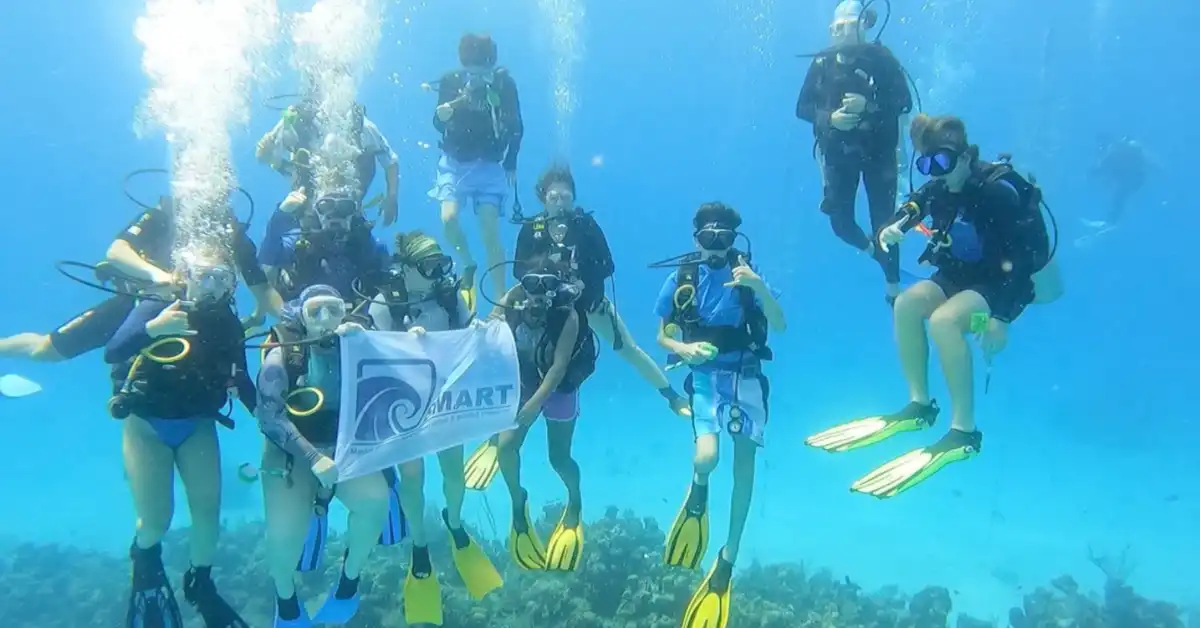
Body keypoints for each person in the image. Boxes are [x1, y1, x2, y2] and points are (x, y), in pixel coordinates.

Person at [805, 114, 1055, 498]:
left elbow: (1022, 264)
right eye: (926, 164)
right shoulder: (939, 187)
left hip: (998, 285)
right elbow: (917, 204)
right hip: (957, 275)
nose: (936, 172)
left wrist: (1001, 319)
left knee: (944, 322)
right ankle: (920, 405)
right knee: (906, 304)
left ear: (966, 156)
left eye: (942, 161)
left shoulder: (997, 194)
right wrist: (896, 226)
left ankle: (964, 431)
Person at [461, 164, 689, 492]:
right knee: (516, 355)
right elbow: (520, 274)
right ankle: (500, 435)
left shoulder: (586, 225)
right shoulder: (531, 229)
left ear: (573, 198)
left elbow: (607, 265)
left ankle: (671, 395)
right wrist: (510, 307)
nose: (560, 202)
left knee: (628, 349)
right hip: (545, 307)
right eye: (554, 196)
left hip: (587, 305)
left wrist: (580, 282)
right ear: (543, 198)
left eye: (566, 196)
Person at [103, 252, 255, 628]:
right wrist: (154, 329)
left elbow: (242, 379)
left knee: (208, 516)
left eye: (222, 278)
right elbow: (114, 351)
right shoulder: (157, 304)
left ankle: (200, 583)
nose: (212, 287)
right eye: (204, 276)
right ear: (185, 276)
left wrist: (271, 421)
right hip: (147, 425)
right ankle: (146, 561)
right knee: (157, 521)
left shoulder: (227, 322)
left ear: (232, 286)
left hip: (197, 424)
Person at [652, 202, 785, 628]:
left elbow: (780, 324)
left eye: (722, 239)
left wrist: (758, 286)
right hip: (706, 375)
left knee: (744, 468)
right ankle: (699, 490)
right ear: (696, 240)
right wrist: (684, 348)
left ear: (733, 241)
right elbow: (662, 335)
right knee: (707, 458)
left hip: (746, 374)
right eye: (707, 239)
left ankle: (729, 556)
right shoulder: (683, 278)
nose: (714, 248)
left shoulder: (747, 275)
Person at [365, 232, 502, 625]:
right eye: (429, 266)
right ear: (406, 268)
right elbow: (370, 352)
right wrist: (402, 343)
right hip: (402, 403)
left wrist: (483, 332)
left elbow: (470, 334)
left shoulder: (448, 295)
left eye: (441, 263)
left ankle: (453, 522)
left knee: (453, 475)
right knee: (412, 479)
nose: (439, 272)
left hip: (444, 401)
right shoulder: (385, 301)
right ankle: (419, 544)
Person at [255, 285, 405, 628]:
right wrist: (313, 458)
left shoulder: (359, 342)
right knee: (284, 537)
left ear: (344, 312)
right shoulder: (283, 349)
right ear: (301, 316)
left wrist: (413, 340)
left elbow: (409, 368)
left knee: (375, 502)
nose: (326, 319)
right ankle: (286, 601)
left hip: (343, 450)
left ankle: (348, 584)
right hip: (290, 454)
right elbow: (269, 416)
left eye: (334, 310)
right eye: (316, 311)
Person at [0, 196, 279, 362]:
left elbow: (263, 290)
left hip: (204, 315)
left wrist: (285, 317)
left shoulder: (235, 238)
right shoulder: (161, 215)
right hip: (138, 302)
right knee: (44, 351)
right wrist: (159, 277)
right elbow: (117, 251)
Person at [796, 0, 913, 304]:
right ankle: (875, 253)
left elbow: (904, 102)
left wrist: (869, 107)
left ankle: (893, 288)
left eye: (850, 25)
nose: (844, 33)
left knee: (885, 224)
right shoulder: (822, 63)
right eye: (838, 28)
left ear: (864, 26)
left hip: (879, 154)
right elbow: (803, 107)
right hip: (839, 154)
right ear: (831, 30)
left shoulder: (882, 59)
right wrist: (829, 118)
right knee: (840, 223)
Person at [487, 258, 597, 573]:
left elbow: (559, 367)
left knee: (559, 459)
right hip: (525, 384)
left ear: (556, 287)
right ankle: (518, 500)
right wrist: (509, 298)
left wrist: (534, 404)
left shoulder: (566, 315)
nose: (537, 292)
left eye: (546, 284)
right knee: (506, 447)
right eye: (531, 283)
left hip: (559, 388)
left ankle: (575, 500)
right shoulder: (512, 306)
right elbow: (486, 330)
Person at [430, 33, 524, 304]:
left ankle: (500, 298)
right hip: (454, 163)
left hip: (490, 165)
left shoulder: (504, 85)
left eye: (483, 68)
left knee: (489, 229)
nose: (477, 75)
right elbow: (438, 123)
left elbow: (517, 126)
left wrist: (511, 162)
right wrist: (441, 116)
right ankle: (468, 261)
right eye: (471, 68)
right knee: (448, 219)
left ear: (491, 64)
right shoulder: (451, 81)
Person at [256, 100, 400, 226]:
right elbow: (262, 155)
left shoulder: (363, 127)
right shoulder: (298, 121)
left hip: (348, 207)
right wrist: (265, 150)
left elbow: (390, 161)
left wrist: (392, 197)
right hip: (309, 203)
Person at [258, 190, 390, 303]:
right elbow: (267, 257)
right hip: (306, 315)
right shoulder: (302, 239)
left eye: (345, 207)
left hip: (356, 315)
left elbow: (382, 278)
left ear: (353, 213)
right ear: (316, 212)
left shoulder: (365, 243)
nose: (335, 213)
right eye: (326, 206)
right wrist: (280, 215)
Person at [1087, 136, 1148, 227]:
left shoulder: (1115, 151)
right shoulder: (1125, 150)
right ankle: (1115, 218)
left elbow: (1103, 165)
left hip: (1131, 180)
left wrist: (1095, 172)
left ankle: (1113, 220)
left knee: (1120, 196)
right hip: (1134, 179)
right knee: (1120, 196)